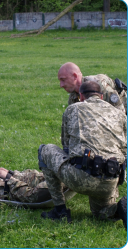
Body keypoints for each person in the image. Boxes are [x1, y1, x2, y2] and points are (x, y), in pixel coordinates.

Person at [38, 81, 127, 229]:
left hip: (81, 177)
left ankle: (60, 210)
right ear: (102, 96)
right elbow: (124, 149)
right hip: (110, 179)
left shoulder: (73, 109)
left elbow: (66, 145)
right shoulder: (119, 114)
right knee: (101, 213)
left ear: (81, 96)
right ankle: (120, 208)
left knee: (45, 150)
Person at [58, 62, 127, 114]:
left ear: (75, 76)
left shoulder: (99, 85)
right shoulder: (73, 96)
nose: (61, 85)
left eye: (63, 80)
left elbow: (120, 114)